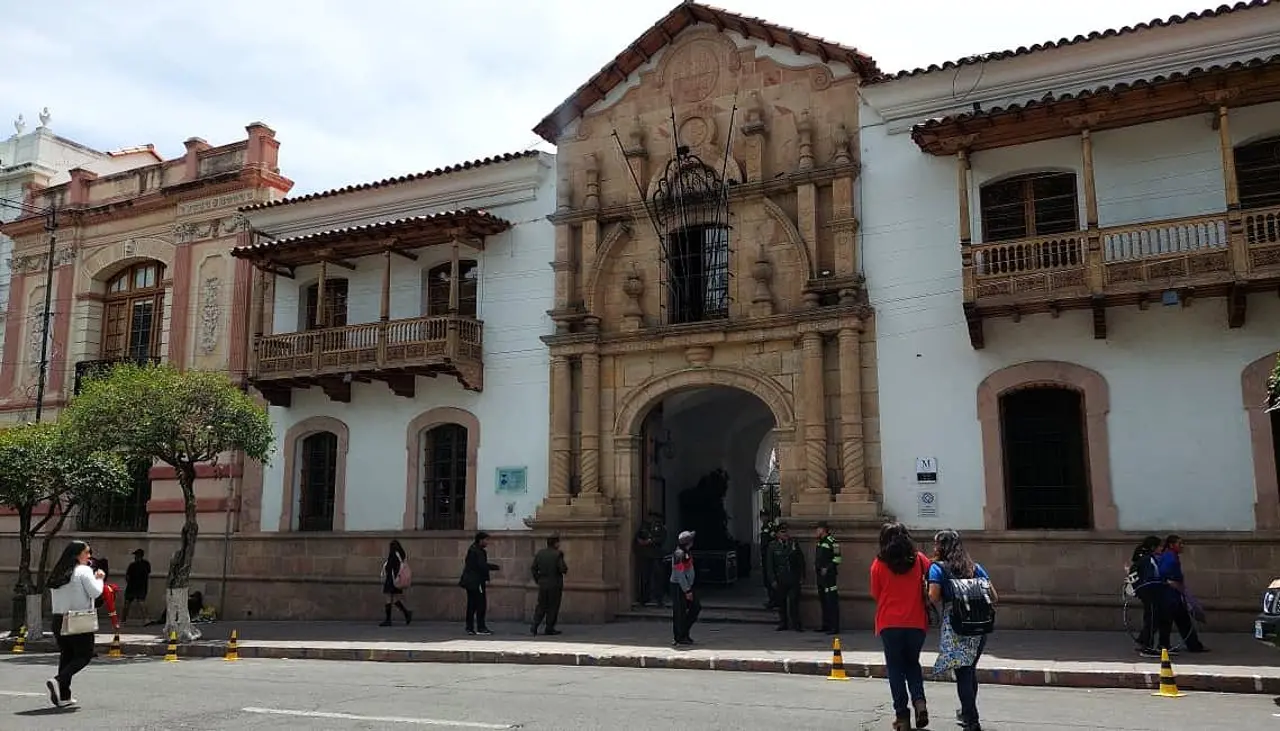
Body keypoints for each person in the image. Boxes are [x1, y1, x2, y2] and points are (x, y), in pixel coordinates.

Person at [928, 530, 997, 731]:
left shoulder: (938, 568)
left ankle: (971, 718)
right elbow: (994, 596)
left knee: (963, 673)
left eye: (936, 544)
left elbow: (933, 596)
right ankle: (967, 712)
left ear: (941, 547)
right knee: (969, 670)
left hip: (956, 626)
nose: (934, 548)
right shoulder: (975, 567)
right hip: (979, 627)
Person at [870, 522, 931, 731]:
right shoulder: (920, 560)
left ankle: (902, 717)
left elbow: (876, 594)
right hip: (916, 622)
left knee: (895, 668)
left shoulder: (878, 564)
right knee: (912, 664)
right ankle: (920, 702)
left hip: (889, 623)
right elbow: (931, 583)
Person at [46, 539, 105, 708]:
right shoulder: (84, 570)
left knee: (67, 655)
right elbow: (95, 592)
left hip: (58, 619)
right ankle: (59, 680)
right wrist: (99, 578)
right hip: (78, 619)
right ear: (77, 554)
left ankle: (63, 695)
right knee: (84, 655)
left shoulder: (58, 572)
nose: (89, 556)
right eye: (87, 552)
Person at [1157, 534, 1207, 653]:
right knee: (1174, 621)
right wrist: (1171, 582)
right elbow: (1164, 573)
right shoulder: (1170, 558)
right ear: (1171, 545)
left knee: (1180, 620)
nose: (1182, 546)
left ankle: (1191, 645)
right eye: (1179, 543)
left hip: (1174, 594)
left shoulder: (1170, 556)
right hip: (1171, 595)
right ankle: (1167, 645)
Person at [765, 523, 805, 632]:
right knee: (781, 602)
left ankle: (796, 624)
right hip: (780, 578)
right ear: (777, 534)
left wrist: (802, 576)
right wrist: (772, 580)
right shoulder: (772, 546)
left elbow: (801, 561)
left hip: (793, 577)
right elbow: (769, 565)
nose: (785, 534)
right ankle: (783, 623)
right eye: (782, 532)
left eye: (786, 531)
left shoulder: (793, 544)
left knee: (794, 601)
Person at [1128, 536, 1163, 656]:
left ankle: (1143, 641)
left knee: (1150, 618)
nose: (1161, 548)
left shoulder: (1147, 558)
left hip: (1147, 593)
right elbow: (1149, 577)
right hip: (1150, 593)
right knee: (1152, 620)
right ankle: (1147, 647)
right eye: (1159, 546)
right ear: (1153, 547)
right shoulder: (1147, 560)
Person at [460, 532, 500, 636]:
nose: (487, 542)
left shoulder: (473, 549)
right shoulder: (477, 551)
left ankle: (470, 627)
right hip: (476, 582)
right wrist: (494, 567)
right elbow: (481, 565)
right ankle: (480, 627)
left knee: (472, 604)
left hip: (472, 581)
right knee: (480, 605)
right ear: (480, 540)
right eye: (486, 540)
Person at [531, 535, 568, 636]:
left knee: (541, 605)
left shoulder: (540, 553)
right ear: (556, 543)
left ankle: (535, 625)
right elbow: (563, 569)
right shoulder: (558, 554)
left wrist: (538, 579)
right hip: (555, 583)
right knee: (553, 606)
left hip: (543, 583)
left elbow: (533, 568)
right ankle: (549, 627)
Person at [670, 530, 700, 646]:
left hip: (687, 585)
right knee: (680, 612)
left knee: (695, 607)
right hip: (679, 586)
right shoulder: (679, 554)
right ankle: (679, 637)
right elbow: (679, 574)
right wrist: (687, 590)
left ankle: (684, 632)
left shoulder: (687, 552)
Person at [814, 521, 843, 635]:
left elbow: (838, 559)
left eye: (818, 529)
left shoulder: (832, 542)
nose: (816, 531)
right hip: (820, 577)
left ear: (823, 530)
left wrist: (827, 568)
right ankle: (825, 625)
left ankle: (834, 627)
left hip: (829, 577)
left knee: (831, 601)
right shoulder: (820, 543)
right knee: (823, 601)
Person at [634, 512, 667, 607]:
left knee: (658, 578)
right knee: (645, 577)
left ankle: (659, 599)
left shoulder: (660, 527)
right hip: (645, 555)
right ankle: (644, 598)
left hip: (656, 555)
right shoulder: (644, 526)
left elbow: (662, 538)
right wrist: (641, 541)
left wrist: (651, 541)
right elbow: (638, 537)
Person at [380, 539, 413, 627]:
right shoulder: (401, 555)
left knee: (388, 598)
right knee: (394, 599)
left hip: (392, 579)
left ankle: (388, 620)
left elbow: (390, 567)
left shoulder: (393, 555)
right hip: (397, 579)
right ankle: (407, 613)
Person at [122, 549, 151, 624]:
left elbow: (127, 576)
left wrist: (129, 582)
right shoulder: (146, 564)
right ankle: (146, 619)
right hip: (142, 586)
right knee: (141, 602)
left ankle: (123, 619)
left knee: (127, 603)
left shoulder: (132, 565)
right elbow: (148, 573)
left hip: (132, 586)